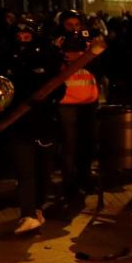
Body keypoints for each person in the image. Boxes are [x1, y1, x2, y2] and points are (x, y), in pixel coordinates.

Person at [5, 17, 63, 235]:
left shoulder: (47, 55)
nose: (23, 37)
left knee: (43, 171)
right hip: (20, 124)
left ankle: (36, 209)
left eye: (27, 33)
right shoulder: (7, 56)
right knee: (25, 171)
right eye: (19, 34)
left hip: (45, 122)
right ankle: (27, 213)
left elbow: (59, 87)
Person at [55, 34, 100, 206]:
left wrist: (91, 53)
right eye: (67, 50)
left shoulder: (90, 62)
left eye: (74, 51)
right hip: (67, 107)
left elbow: (103, 68)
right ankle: (69, 185)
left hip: (88, 106)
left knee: (86, 146)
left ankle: (84, 180)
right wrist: (55, 51)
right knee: (69, 147)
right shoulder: (58, 62)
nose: (70, 54)